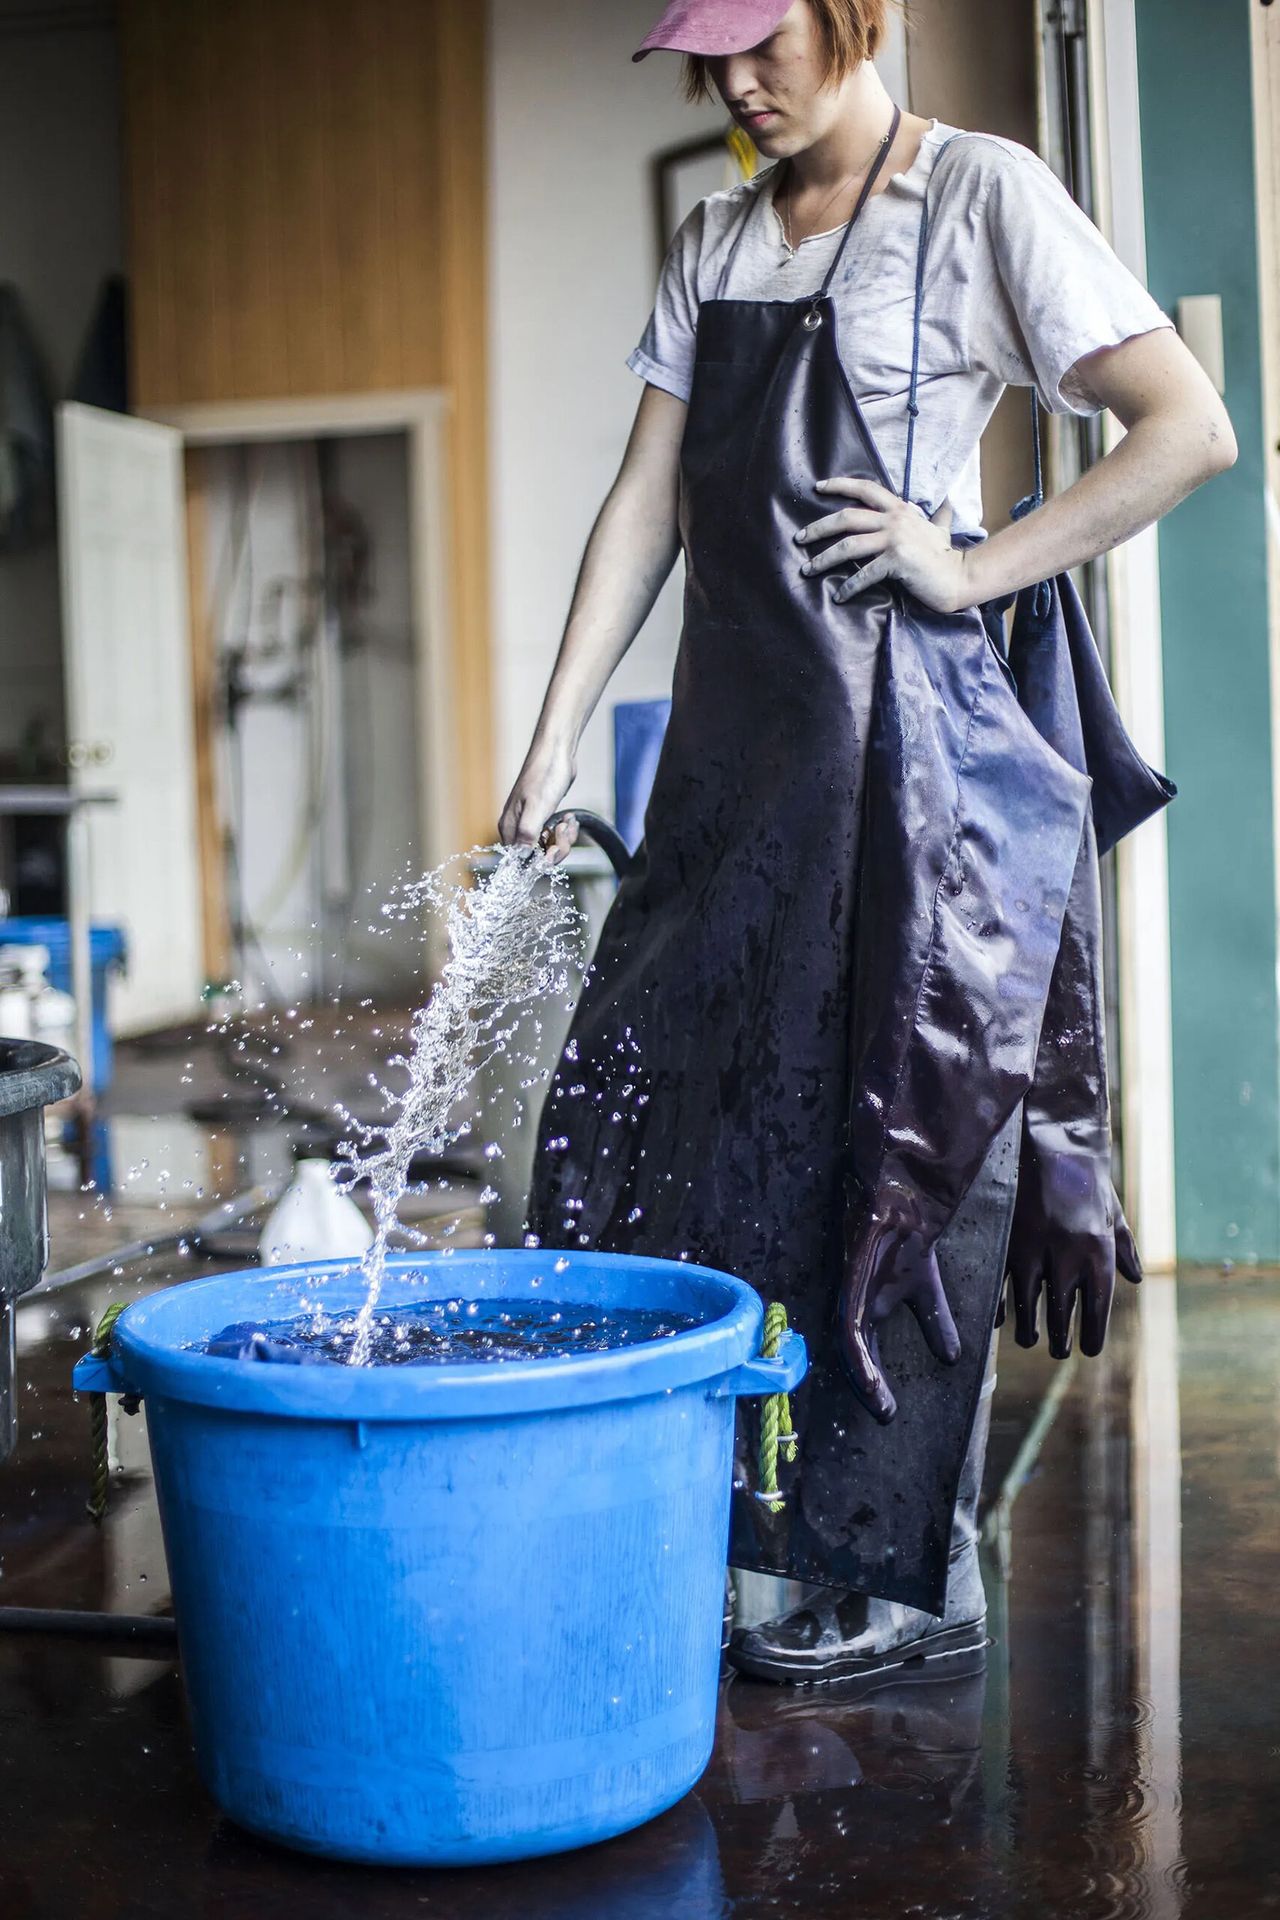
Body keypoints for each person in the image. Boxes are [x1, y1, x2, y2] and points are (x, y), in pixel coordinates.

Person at [499, 0, 1235, 1686]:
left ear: (860, 19)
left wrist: (974, 566)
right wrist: (547, 738)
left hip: (906, 759)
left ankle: (911, 1571)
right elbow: (646, 501)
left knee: (900, 1147)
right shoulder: (713, 237)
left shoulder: (980, 196)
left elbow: (1188, 428)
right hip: (733, 768)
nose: (737, 80)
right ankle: (745, 1528)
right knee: (668, 1122)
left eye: (765, 41)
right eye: (712, 54)